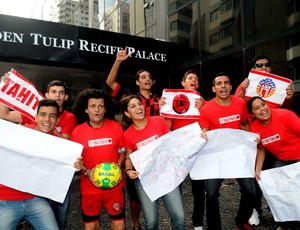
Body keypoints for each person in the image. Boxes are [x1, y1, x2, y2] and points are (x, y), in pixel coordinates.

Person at [0, 74, 77, 229]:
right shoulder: (19, 132)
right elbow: (4, 115)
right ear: (34, 117)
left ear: (57, 120)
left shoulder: (60, 136)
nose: (47, 119)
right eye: (42, 115)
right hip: (7, 198)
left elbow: (67, 154)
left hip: (36, 198)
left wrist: (76, 163)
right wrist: (3, 86)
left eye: (52, 116)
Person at [235, 55, 294, 225]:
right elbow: (236, 105)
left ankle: (279, 212)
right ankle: (254, 209)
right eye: (258, 65)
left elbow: (286, 110)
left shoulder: (281, 86)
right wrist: (243, 90)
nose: (262, 67)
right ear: (253, 68)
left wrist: (289, 97)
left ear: (270, 68)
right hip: (253, 138)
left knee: (276, 177)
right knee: (255, 176)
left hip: (275, 138)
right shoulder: (246, 83)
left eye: (266, 65)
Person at [106, 46, 159, 230]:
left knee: (158, 186)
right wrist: (119, 60)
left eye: (149, 77)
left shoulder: (159, 100)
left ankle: (152, 217)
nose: (147, 79)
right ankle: (136, 223)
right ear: (137, 82)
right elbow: (110, 81)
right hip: (134, 150)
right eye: (143, 77)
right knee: (134, 191)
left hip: (154, 152)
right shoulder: (130, 97)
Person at [199, 72, 256, 230]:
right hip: (216, 156)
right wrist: (203, 134)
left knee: (251, 191)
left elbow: (244, 124)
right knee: (210, 194)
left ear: (231, 86)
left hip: (238, 154)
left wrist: (252, 140)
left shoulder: (240, 103)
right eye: (219, 83)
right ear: (213, 88)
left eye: (226, 82)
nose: (223, 86)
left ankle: (241, 220)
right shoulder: (206, 109)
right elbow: (204, 130)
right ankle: (214, 227)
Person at [120, 94, 185, 230]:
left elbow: (172, 141)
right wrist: (128, 170)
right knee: (151, 222)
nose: (138, 107)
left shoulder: (158, 121)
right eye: (133, 106)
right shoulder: (127, 134)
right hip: (144, 180)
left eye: (139, 104)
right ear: (127, 113)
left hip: (166, 174)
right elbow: (128, 157)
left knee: (179, 216)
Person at [70, 88, 126, 230]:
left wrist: (118, 166)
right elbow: (76, 160)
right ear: (86, 110)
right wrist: (87, 171)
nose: (97, 110)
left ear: (105, 109)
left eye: (100, 106)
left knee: (119, 224)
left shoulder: (116, 127)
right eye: (93, 106)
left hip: (115, 186)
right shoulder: (77, 132)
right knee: (91, 226)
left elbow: (122, 151)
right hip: (90, 188)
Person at [160, 69, 206, 230]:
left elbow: (208, 126)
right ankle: (177, 222)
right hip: (178, 152)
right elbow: (167, 128)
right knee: (175, 188)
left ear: (198, 84)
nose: (193, 80)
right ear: (183, 83)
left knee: (199, 190)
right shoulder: (174, 102)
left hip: (197, 152)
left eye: (196, 78)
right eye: (190, 78)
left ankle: (198, 224)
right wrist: (163, 111)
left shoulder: (203, 102)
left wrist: (203, 109)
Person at [247, 96, 300, 230]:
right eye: (257, 108)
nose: (263, 109)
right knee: (280, 191)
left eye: (263, 104)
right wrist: (257, 169)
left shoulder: (286, 115)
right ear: (252, 114)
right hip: (282, 160)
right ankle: (285, 223)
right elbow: (261, 148)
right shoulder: (254, 127)